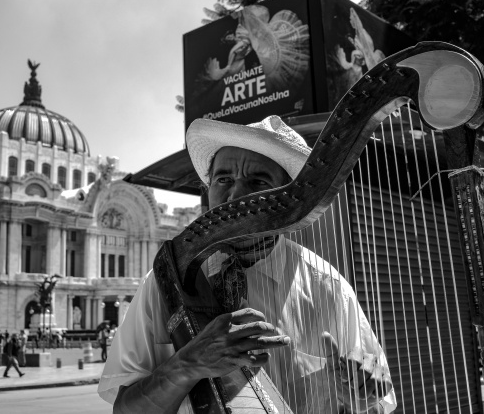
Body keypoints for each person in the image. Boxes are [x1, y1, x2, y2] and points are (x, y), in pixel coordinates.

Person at [98, 116, 396, 413]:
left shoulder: (326, 286)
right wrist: (185, 365)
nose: (236, 196)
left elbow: (375, 400)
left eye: (257, 182)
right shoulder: (165, 282)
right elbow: (126, 409)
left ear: (289, 199)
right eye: (224, 179)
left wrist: (365, 397)